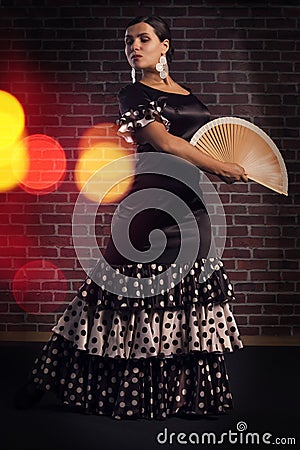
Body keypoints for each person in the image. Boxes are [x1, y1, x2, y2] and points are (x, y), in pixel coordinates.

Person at [14, 15, 247, 420]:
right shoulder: (132, 95)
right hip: (148, 209)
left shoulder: (191, 97)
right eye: (129, 42)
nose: (134, 47)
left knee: (189, 302)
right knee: (111, 297)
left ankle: (182, 396)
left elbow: (202, 144)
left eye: (143, 39)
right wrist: (219, 166)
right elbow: (163, 141)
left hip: (194, 210)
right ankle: (48, 378)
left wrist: (221, 169)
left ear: (165, 45)